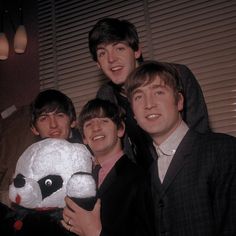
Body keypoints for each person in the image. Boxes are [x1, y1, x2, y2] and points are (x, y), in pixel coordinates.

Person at [125, 60, 236, 235]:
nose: (148, 104)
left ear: (179, 102)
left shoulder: (223, 150)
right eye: (139, 97)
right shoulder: (149, 173)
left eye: (159, 92)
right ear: (134, 114)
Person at [88, 17, 210, 168]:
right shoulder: (104, 96)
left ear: (136, 51)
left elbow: (200, 131)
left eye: (119, 48)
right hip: (142, 183)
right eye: (102, 53)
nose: (111, 59)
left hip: (187, 170)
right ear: (98, 64)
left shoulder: (177, 75)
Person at [61, 98, 154, 236]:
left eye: (104, 121)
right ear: (84, 139)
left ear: (120, 129)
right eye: (89, 124)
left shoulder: (139, 178)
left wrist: (97, 233)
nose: (96, 128)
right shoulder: (78, 179)